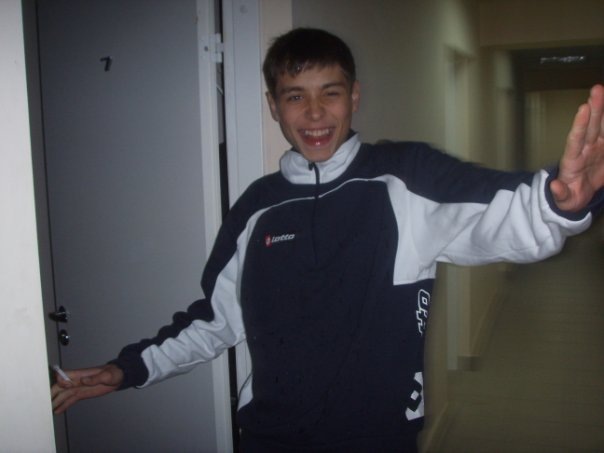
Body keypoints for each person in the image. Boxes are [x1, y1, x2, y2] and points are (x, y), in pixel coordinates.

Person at [51, 28, 604, 452]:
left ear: (354, 97)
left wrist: (558, 202)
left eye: (330, 93)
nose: (314, 113)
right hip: (268, 437)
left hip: (377, 438)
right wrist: (129, 369)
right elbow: (216, 319)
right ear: (274, 106)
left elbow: (499, 214)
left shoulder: (404, 178)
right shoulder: (256, 207)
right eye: (294, 97)